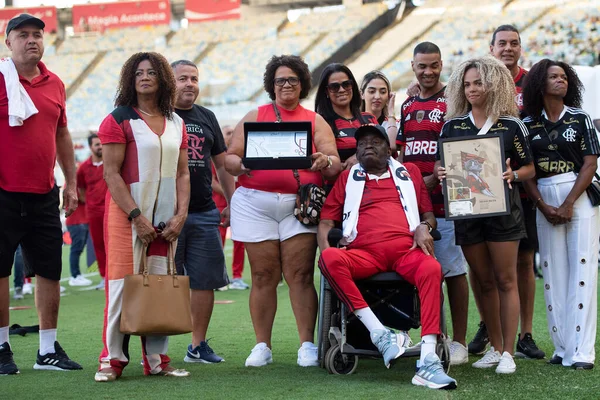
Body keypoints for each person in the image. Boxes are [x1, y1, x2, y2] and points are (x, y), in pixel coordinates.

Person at [318, 124, 456, 390]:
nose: (367, 145)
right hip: (363, 254)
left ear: (390, 149)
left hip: (406, 252)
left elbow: (428, 216)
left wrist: (424, 228)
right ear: (356, 153)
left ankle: (428, 359)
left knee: (431, 268)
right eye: (362, 143)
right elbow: (326, 222)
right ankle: (379, 333)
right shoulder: (348, 178)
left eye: (375, 141)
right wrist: (326, 248)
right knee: (329, 259)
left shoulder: (410, 173)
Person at [225, 55, 341, 367]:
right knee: (263, 275)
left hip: (299, 205)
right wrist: (246, 162)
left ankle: (306, 345)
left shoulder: (314, 120)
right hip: (255, 203)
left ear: (302, 84)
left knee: (300, 274)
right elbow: (230, 160)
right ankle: (262, 345)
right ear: (271, 85)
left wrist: (323, 161)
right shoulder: (255, 115)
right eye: (280, 80)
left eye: (292, 79)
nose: (286, 85)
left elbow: (334, 162)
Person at [435, 56, 535, 374]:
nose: (473, 89)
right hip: (467, 213)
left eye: (478, 82)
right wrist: (442, 173)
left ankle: (508, 351)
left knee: (506, 280)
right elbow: (445, 166)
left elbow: (529, 167)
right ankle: (493, 346)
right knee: (484, 280)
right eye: (467, 84)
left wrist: (512, 176)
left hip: (503, 213)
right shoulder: (453, 126)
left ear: (493, 83)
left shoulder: (511, 124)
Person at [94, 52, 190, 382]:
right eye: (138, 73)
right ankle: (112, 360)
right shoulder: (118, 119)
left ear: (163, 78)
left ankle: (157, 360)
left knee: (159, 285)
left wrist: (181, 214)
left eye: (151, 72)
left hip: (165, 220)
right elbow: (111, 175)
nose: (144, 77)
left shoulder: (177, 122)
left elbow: (182, 174)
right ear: (129, 80)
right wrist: (136, 216)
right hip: (126, 217)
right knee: (122, 287)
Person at [0, 13, 82, 375]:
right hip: (2, 192)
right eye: (23, 35)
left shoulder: (56, 84)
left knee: (49, 271)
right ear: (8, 42)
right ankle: (1, 347)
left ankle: (47, 350)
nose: (32, 40)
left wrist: (72, 182)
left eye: (37, 34)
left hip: (45, 192)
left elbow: (62, 135)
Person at [468, 25, 544, 360]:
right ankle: (489, 325)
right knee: (482, 267)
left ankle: (524, 333)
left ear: (520, 48)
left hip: (523, 189)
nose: (508, 48)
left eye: (514, 43)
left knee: (524, 261)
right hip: (482, 192)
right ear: (492, 48)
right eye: (502, 43)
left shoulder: (533, 83)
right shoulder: (478, 84)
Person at [522, 59, 600, 370]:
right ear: (540, 84)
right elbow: (526, 170)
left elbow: (590, 163)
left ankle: (582, 352)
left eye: (564, 77)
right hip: (542, 195)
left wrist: (568, 203)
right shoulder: (527, 124)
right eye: (554, 77)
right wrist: (541, 204)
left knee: (582, 269)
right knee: (553, 272)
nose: (561, 81)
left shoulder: (580, 118)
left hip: (577, 195)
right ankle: (562, 347)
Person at [397, 42, 469, 366]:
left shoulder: (453, 102)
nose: (428, 72)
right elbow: (402, 152)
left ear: (442, 64)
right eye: (421, 66)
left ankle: (461, 342)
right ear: (412, 66)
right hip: (414, 208)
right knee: (424, 274)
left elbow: (458, 148)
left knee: (453, 272)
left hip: (445, 203)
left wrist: (432, 182)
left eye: (433, 65)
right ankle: (432, 336)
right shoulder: (408, 104)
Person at [171, 59, 234, 364]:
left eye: (194, 78)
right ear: (169, 82)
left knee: (204, 281)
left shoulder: (207, 116)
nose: (190, 84)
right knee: (161, 281)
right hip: (165, 214)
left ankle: (197, 345)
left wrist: (232, 202)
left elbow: (221, 165)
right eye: (182, 78)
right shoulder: (158, 115)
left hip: (205, 212)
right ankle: (155, 346)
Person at [315, 63, 390, 170]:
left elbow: (385, 150)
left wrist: (358, 157)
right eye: (334, 87)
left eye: (346, 84)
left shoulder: (369, 118)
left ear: (352, 86)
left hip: (372, 183)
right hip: (340, 184)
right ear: (326, 91)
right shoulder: (321, 123)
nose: (341, 90)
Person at [213, 125, 248, 290]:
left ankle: (237, 277)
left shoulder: (241, 156)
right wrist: (230, 194)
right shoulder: (216, 156)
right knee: (217, 241)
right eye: (228, 133)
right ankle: (218, 277)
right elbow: (211, 181)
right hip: (219, 204)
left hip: (239, 203)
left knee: (240, 241)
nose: (232, 135)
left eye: (234, 133)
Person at [77, 133, 108, 291]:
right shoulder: (83, 167)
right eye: (97, 144)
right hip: (94, 213)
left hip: (112, 211)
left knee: (115, 245)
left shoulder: (111, 163)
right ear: (90, 147)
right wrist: (90, 202)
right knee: (99, 245)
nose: (100, 146)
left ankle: (118, 277)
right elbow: (81, 189)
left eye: (101, 143)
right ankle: (104, 278)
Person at [65, 173, 93, 287]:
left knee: (78, 250)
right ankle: (75, 276)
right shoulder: (73, 184)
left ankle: (77, 275)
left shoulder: (74, 182)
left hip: (81, 220)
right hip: (76, 221)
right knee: (76, 250)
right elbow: (82, 198)